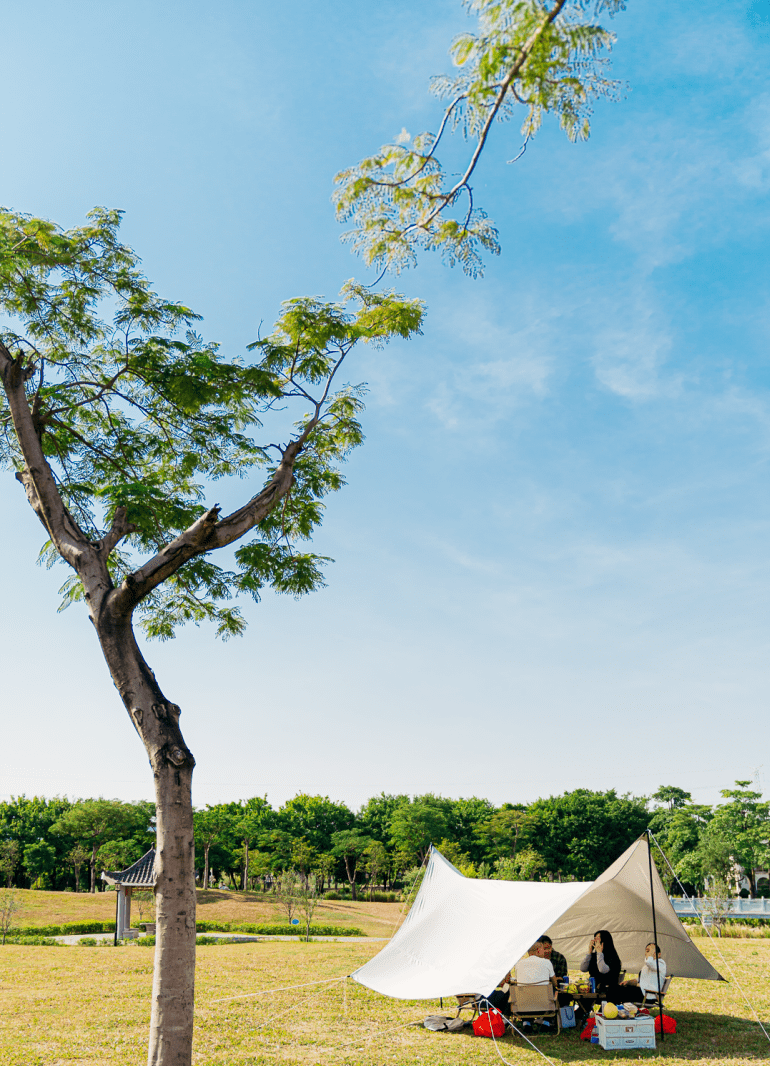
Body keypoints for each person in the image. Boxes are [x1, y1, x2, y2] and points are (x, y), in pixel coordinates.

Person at [579, 930, 623, 1004]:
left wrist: (599, 953)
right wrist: (589, 952)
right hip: (593, 989)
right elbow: (583, 968)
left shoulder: (612, 956)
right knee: (582, 1000)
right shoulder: (594, 956)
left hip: (609, 991)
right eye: (595, 938)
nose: (595, 940)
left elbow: (602, 969)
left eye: (598, 937)